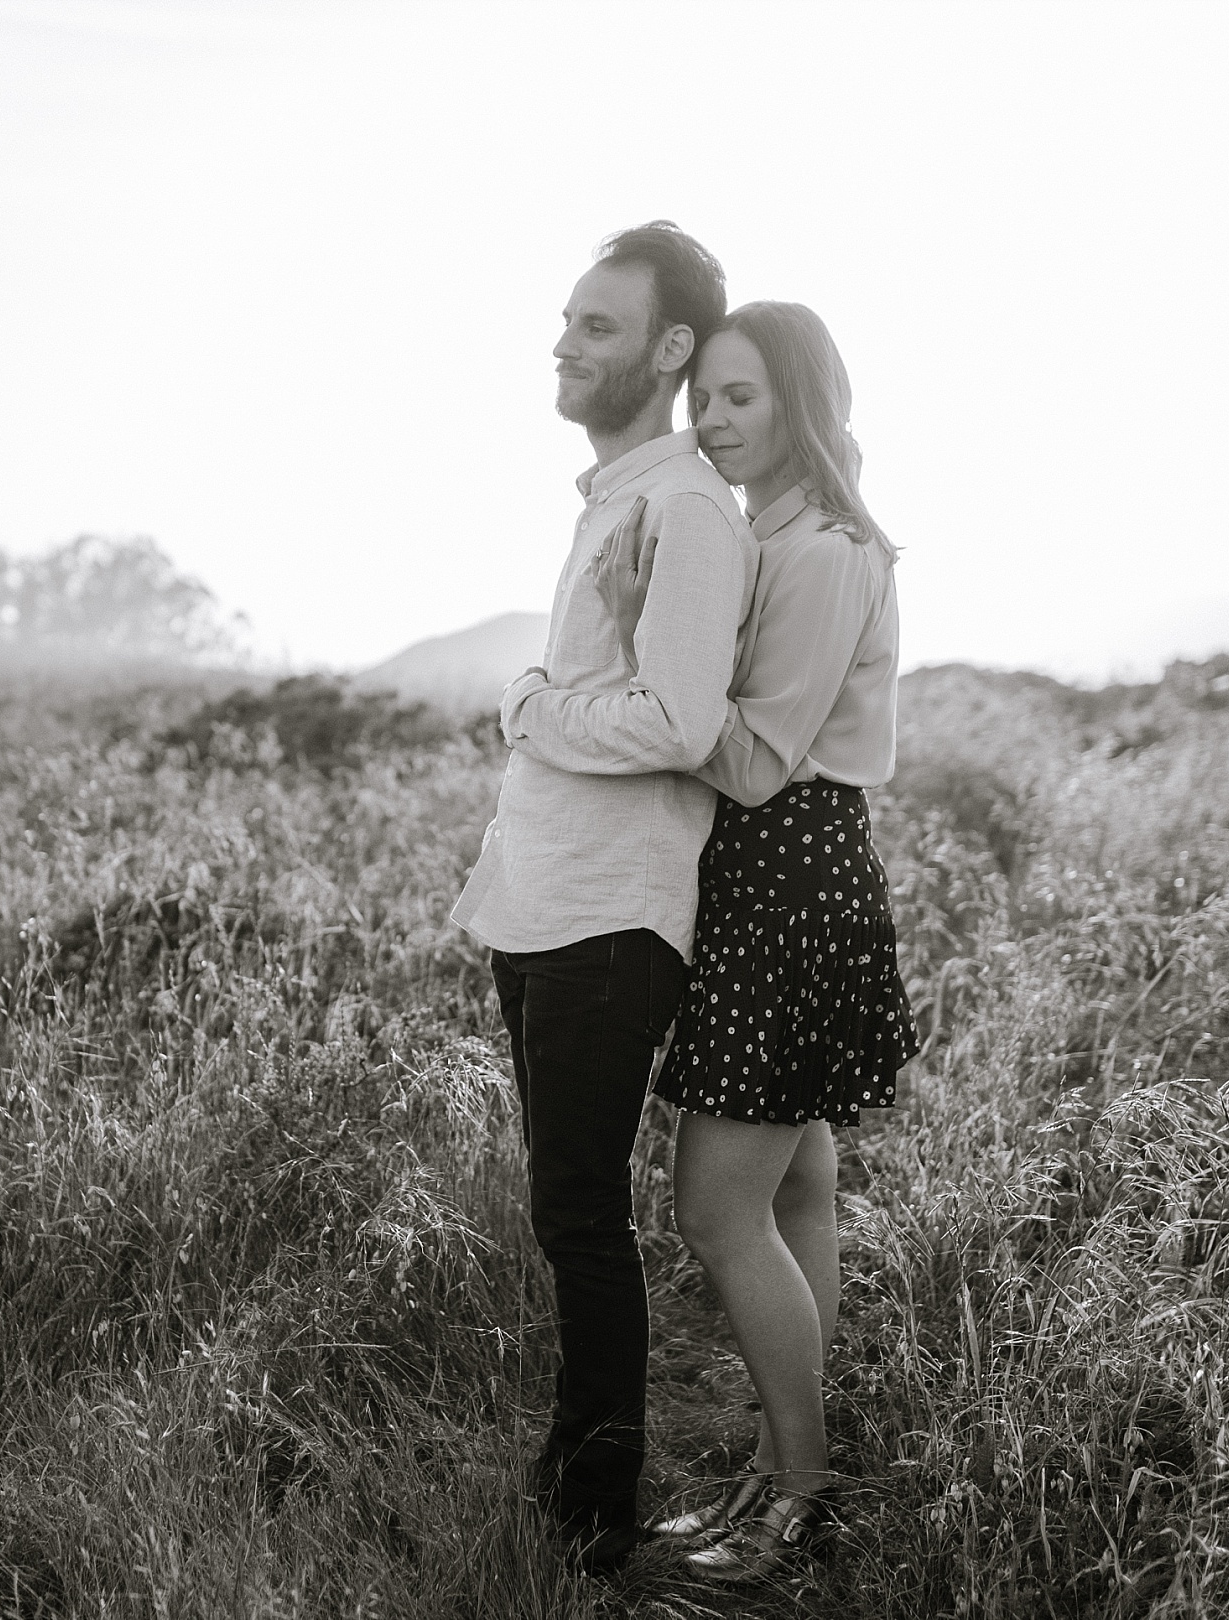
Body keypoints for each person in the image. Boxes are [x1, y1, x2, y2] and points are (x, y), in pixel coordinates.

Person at [503, 299, 920, 1581]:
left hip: (786, 882)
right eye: (708, 400)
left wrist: (638, 657)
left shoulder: (823, 552)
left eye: (743, 398)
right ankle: (780, 1467)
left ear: (804, 403)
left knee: (714, 1210)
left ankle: (801, 1497)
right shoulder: (768, 535)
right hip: (778, 878)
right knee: (796, 1190)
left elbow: (745, 758)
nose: (715, 422)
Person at [450, 221, 754, 1574]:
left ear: (669, 349)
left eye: (599, 326)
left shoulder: (684, 511)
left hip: (607, 919)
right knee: (564, 1211)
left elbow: (684, 723)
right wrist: (563, 703)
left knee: (583, 1222)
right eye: (567, 322)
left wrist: (529, 702)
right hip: (544, 901)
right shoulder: (620, 503)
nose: (566, 346)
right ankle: (574, 1486)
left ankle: (593, 1524)